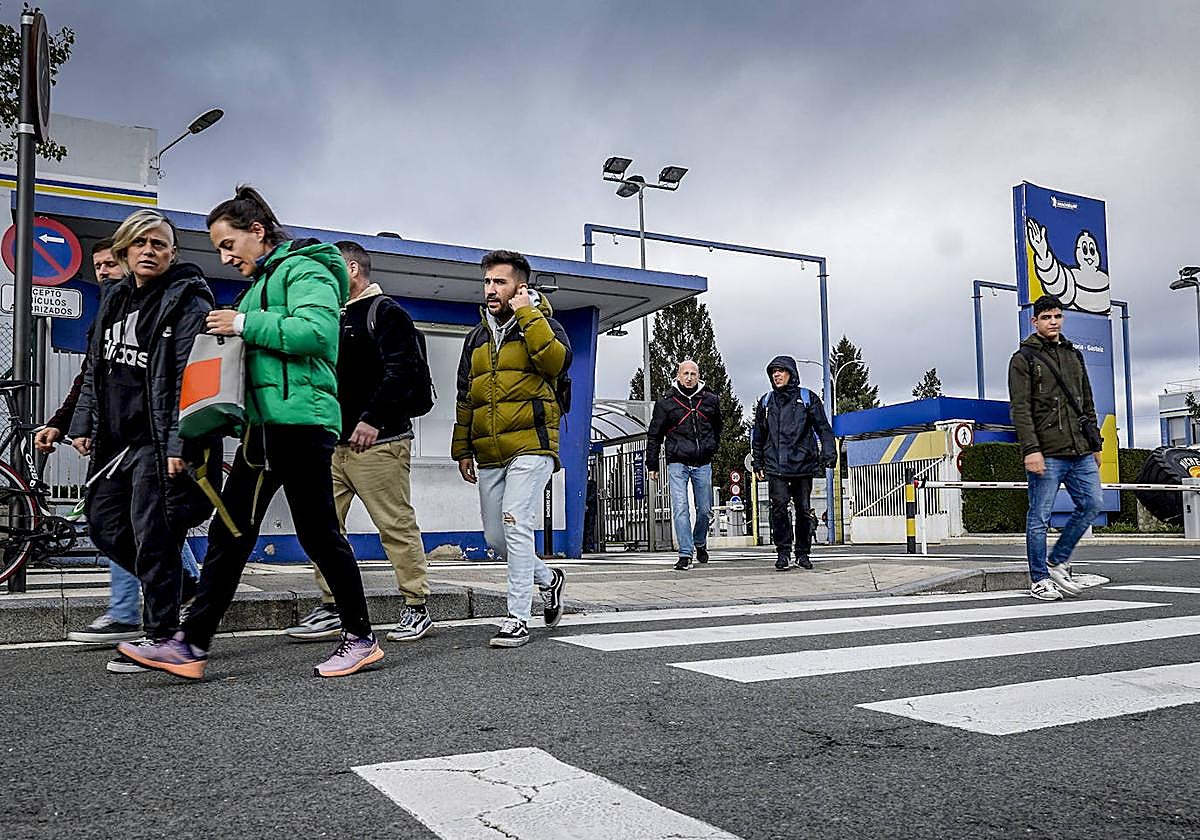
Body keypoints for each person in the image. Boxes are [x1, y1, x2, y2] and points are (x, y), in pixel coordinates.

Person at [119, 186, 381, 679]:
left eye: (228, 243)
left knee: (317, 534)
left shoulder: (306, 268)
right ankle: (190, 646)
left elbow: (316, 335)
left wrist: (242, 322)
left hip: (300, 422)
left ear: (256, 232)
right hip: (265, 428)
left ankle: (360, 637)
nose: (224, 256)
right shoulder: (264, 281)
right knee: (232, 531)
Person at [40, 239, 201, 665]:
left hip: (154, 437)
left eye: (158, 244)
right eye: (100, 265)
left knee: (155, 536)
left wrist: (176, 442)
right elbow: (92, 374)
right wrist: (73, 424)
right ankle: (181, 590)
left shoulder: (183, 297)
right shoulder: (112, 305)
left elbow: (183, 377)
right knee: (104, 524)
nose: (104, 271)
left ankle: (159, 632)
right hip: (116, 439)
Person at [285, 240, 432, 643]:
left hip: (380, 442)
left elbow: (402, 371)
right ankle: (333, 605)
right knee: (324, 527)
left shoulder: (385, 313)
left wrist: (372, 418)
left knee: (394, 525)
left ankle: (416, 605)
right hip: (332, 445)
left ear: (351, 269)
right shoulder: (330, 315)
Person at [452, 250, 568, 648]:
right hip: (489, 451)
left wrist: (528, 315)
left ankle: (518, 617)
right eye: (487, 282)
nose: (490, 289)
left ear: (520, 287)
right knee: (497, 538)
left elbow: (554, 364)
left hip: (533, 443)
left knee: (517, 519)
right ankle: (549, 579)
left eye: (499, 282)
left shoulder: (545, 325)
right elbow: (466, 396)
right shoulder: (476, 338)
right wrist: (462, 449)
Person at [1007, 294, 1103, 601]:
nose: (1053, 322)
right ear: (1034, 321)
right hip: (1046, 452)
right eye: (1047, 317)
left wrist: (1095, 442)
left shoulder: (1074, 355)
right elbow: (1020, 409)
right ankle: (1039, 579)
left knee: (1091, 503)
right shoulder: (1023, 359)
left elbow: (1086, 401)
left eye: (1057, 316)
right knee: (1039, 517)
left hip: (1080, 449)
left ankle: (1057, 560)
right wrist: (1030, 450)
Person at [751, 355, 835, 571]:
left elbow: (823, 428)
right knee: (778, 507)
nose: (776, 375)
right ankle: (783, 552)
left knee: (804, 510)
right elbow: (758, 435)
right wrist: (757, 462)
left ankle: (803, 553)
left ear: (791, 373)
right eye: (773, 372)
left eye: (780, 371)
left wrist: (829, 454)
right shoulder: (766, 402)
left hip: (803, 464)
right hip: (775, 465)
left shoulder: (808, 398)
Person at [646, 360, 722, 571]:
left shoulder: (710, 399)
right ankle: (685, 553)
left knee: (705, 509)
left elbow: (717, 428)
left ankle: (699, 542)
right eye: (685, 373)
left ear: (699, 376)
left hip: (703, 462)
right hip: (677, 462)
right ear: (678, 376)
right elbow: (654, 435)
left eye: (693, 373)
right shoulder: (666, 403)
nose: (689, 377)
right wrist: (652, 464)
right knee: (680, 508)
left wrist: (711, 447)